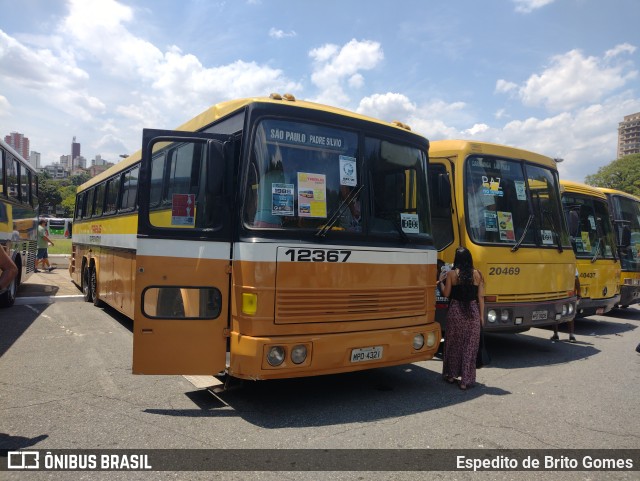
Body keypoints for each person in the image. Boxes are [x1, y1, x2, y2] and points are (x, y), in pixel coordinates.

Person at [437, 246, 485, 390]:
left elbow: (446, 294)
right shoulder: (478, 274)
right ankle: (465, 380)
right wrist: (481, 316)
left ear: (456, 259)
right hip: (472, 311)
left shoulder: (452, 274)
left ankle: (451, 375)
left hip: (456, 311)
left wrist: (440, 281)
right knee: (470, 346)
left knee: (453, 344)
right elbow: (481, 297)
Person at [552, 268, 579, 342]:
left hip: (557, 294)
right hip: (568, 295)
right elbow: (577, 281)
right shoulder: (571, 266)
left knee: (556, 314)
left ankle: (556, 334)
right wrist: (579, 294)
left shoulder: (555, 266)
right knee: (570, 315)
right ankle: (571, 335)